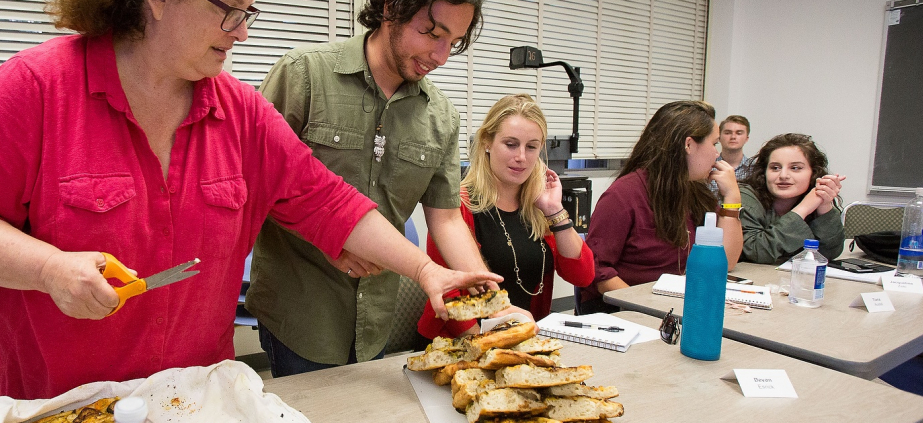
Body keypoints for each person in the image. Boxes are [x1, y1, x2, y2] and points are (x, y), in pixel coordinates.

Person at [0, 0, 499, 400]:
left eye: (249, 12)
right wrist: (47, 268)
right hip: (61, 400)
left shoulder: (237, 111)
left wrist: (426, 270)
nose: (242, 31)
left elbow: (328, 202)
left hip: (192, 396)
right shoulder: (37, 87)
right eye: (229, 10)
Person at [246, 0, 492, 377]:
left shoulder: (442, 117)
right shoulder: (304, 74)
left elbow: (446, 220)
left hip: (375, 318)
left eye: (454, 42)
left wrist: (489, 300)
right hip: (299, 311)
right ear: (392, 9)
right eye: (433, 33)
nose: (440, 57)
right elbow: (252, 184)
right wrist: (328, 235)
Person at [416, 94, 595, 339]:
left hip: (522, 337)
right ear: (487, 142)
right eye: (511, 144)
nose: (521, 156)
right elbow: (449, 294)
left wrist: (555, 212)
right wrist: (484, 346)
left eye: (531, 147)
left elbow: (582, 276)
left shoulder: (538, 207)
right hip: (461, 340)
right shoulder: (457, 206)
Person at [580, 100, 744, 315]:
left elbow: (727, 262)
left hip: (677, 306)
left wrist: (731, 198)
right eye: (714, 144)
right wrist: (652, 312)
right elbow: (599, 272)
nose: (717, 154)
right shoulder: (624, 195)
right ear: (688, 145)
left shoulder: (695, 191)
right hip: (629, 311)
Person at [739, 133, 846, 264]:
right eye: (775, 168)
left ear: (814, 173)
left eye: (795, 168)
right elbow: (756, 252)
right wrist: (803, 209)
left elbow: (829, 253)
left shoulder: (815, 198)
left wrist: (824, 206)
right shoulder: (745, 196)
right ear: (764, 172)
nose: (783, 175)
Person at [708, 115, 754, 193]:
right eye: (727, 133)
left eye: (739, 133)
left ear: (746, 139)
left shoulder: (754, 169)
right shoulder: (707, 167)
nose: (733, 137)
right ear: (719, 137)